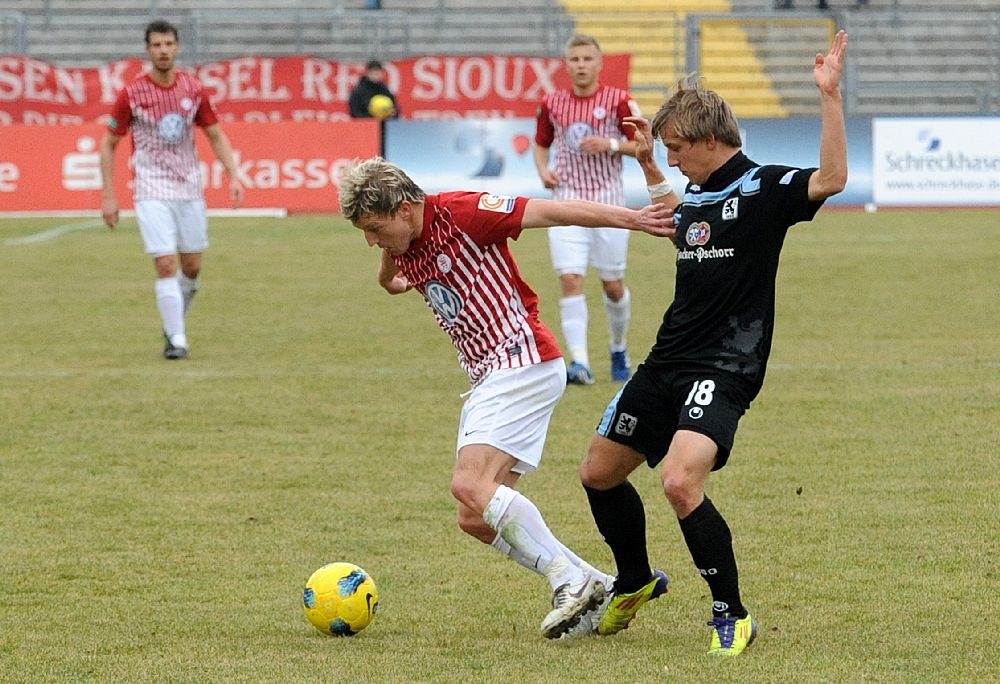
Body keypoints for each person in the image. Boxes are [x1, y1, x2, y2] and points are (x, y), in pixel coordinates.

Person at [577, 30, 849, 656]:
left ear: (708, 140)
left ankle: (731, 612)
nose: (672, 159)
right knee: (598, 473)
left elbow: (833, 177)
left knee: (679, 481)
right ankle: (635, 581)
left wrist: (830, 96)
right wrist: (648, 165)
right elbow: (687, 230)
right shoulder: (698, 192)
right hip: (667, 360)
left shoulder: (765, 189)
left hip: (726, 365)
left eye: (675, 148)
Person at [337, 156, 677, 639]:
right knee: (473, 516)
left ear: (406, 208)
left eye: (375, 229)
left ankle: (567, 578)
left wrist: (634, 219)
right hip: (490, 375)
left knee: (468, 483)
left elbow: (554, 211)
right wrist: (387, 267)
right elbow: (391, 281)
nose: (372, 240)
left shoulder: (464, 212)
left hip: (520, 359)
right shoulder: (404, 241)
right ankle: (601, 583)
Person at [100, 19, 244, 360]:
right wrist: (109, 195)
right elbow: (109, 144)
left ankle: (172, 324)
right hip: (150, 187)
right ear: (148, 50)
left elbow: (215, 135)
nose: (163, 51)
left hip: (189, 187)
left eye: (168, 44)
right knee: (165, 264)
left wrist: (234, 176)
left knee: (191, 266)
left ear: (177, 47)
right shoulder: (131, 94)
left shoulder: (194, 90)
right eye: (157, 45)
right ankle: (178, 339)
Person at [534, 34, 653, 386]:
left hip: (608, 203)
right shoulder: (552, 103)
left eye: (587, 59)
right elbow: (541, 143)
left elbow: (645, 144)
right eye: (575, 59)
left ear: (599, 64)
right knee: (570, 279)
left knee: (612, 285)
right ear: (567, 65)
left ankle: (618, 347)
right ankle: (580, 363)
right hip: (567, 202)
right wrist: (543, 170)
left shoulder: (620, 101)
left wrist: (611, 143)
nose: (581, 65)